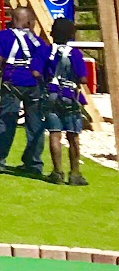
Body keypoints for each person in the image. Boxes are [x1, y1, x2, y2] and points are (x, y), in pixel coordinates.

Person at [0, 6, 50, 175]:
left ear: (12, 19)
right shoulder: (37, 41)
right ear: (29, 22)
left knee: (6, 122)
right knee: (35, 125)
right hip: (34, 85)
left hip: (12, 82)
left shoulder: (2, 36)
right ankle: (33, 164)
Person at [43, 18, 91, 187]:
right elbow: (83, 79)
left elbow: (36, 72)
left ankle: (57, 172)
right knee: (73, 136)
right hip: (70, 96)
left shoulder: (47, 52)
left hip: (52, 95)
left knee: (55, 134)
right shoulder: (75, 54)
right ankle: (75, 174)